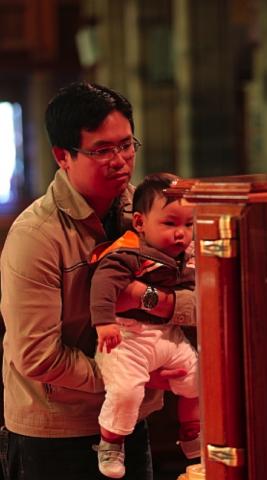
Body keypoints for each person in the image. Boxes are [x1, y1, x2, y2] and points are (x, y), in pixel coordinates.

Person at [0, 81, 196, 480]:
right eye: (102, 150)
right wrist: (133, 374)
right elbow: (37, 356)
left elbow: (199, 299)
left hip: (131, 417)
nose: (121, 161)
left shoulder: (146, 215)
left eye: (127, 145)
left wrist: (150, 299)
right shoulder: (36, 236)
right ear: (63, 156)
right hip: (57, 432)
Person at [90, 173, 200, 478]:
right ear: (139, 223)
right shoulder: (130, 252)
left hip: (166, 334)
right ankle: (111, 443)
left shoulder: (186, 257)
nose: (181, 234)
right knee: (126, 390)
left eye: (188, 225)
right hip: (127, 335)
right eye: (170, 224)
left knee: (199, 378)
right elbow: (103, 284)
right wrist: (104, 324)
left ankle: (193, 433)